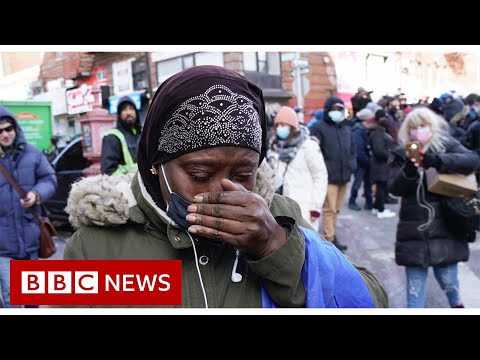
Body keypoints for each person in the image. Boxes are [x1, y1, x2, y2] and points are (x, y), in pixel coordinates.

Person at [63, 65, 388, 308]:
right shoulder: (98, 242)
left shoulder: (279, 217)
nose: (225, 189)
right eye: (201, 173)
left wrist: (275, 248)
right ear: (155, 163)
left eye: (244, 172)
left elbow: (370, 299)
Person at [388, 107, 480, 308]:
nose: (418, 131)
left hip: (446, 227)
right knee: (414, 293)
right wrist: (409, 171)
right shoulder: (401, 152)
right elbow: (394, 187)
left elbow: (472, 161)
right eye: (413, 127)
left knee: (450, 284)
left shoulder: (445, 145)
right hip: (414, 231)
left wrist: (439, 161)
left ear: (431, 126)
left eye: (423, 126)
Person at [0, 105, 57, 308]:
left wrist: (36, 194)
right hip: (3, 247)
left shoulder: (32, 153)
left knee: (32, 298)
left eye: (8, 129)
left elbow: (49, 179)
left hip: (30, 240)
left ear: (15, 128)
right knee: (12, 298)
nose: (5, 134)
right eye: (0, 131)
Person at [266, 106, 328, 230]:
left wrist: (315, 207)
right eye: (278, 125)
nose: (280, 129)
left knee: (305, 243)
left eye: (284, 125)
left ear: (293, 127)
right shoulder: (274, 146)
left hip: (303, 205)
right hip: (280, 205)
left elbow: (320, 177)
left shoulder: (308, 146)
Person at [309, 96, 356, 252]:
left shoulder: (347, 128)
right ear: (328, 110)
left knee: (336, 209)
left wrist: (351, 165)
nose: (337, 112)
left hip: (344, 176)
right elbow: (314, 153)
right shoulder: (318, 128)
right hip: (328, 177)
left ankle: (332, 234)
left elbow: (352, 150)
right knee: (329, 209)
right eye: (334, 109)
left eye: (339, 109)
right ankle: (330, 240)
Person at [101, 96, 142, 176]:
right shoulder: (112, 136)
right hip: (125, 186)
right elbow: (109, 171)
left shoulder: (141, 133)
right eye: (124, 109)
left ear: (136, 112)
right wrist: (126, 181)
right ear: (119, 114)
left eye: (131, 108)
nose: (128, 112)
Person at [368, 110, 395, 219]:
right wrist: (390, 155)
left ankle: (376, 207)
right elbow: (378, 151)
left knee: (381, 187)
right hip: (380, 165)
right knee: (380, 187)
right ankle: (381, 209)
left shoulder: (380, 132)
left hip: (381, 165)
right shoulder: (378, 134)